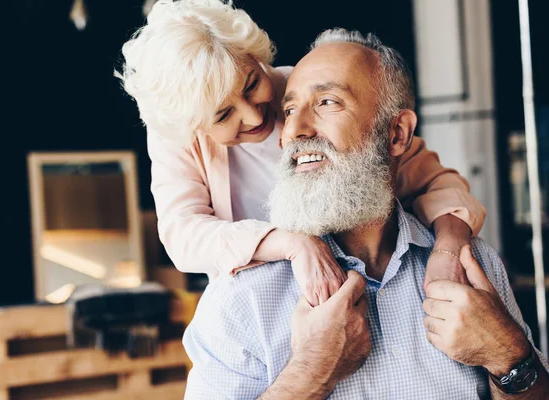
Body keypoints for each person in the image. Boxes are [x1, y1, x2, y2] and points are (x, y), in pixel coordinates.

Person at [182, 29, 549, 399]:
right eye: (289, 110)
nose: (293, 130)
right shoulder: (241, 298)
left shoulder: (475, 264)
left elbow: (446, 184)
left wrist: (509, 356)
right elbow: (181, 227)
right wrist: (311, 371)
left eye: (327, 102)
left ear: (397, 135)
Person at [117, 0, 486, 305]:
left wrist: (449, 247)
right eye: (224, 114)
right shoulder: (179, 137)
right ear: (195, 127)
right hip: (263, 308)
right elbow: (183, 234)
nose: (253, 114)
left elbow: (434, 179)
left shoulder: (311, 91)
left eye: (251, 83)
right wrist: (291, 243)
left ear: (255, 56)